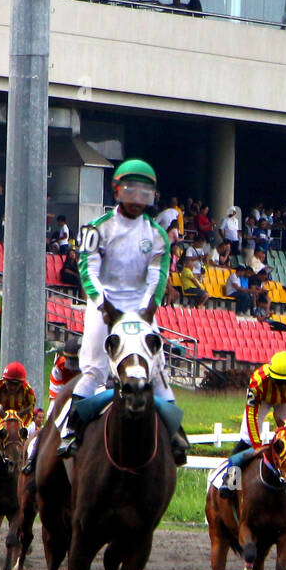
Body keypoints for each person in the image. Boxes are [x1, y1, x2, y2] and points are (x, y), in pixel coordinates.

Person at [59, 158, 186, 463]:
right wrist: (102, 304)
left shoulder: (156, 234)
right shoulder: (98, 228)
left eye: (144, 193)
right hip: (104, 304)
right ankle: (70, 431)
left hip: (140, 308)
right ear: (117, 191)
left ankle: (175, 433)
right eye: (130, 191)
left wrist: (148, 308)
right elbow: (87, 267)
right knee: (95, 369)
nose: (137, 200)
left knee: (156, 369)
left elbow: (158, 274)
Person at [220, 352, 286, 499]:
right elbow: (251, 416)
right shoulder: (257, 382)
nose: (283, 386)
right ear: (270, 376)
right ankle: (230, 481)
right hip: (262, 399)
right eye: (279, 382)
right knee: (246, 440)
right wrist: (257, 447)